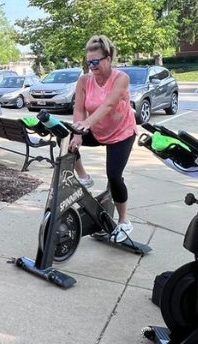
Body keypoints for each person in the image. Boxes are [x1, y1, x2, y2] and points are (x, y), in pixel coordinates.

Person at [69, 35, 137, 241]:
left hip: (121, 133)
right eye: (88, 62)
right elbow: (79, 109)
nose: (92, 66)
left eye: (96, 62)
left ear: (108, 59)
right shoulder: (84, 81)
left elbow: (108, 105)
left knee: (114, 176)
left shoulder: (121, 78)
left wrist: (86, 125)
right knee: (65, 139)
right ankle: (84, 177)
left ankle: (125, 221)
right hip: (98, 131)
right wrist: (77, 133)